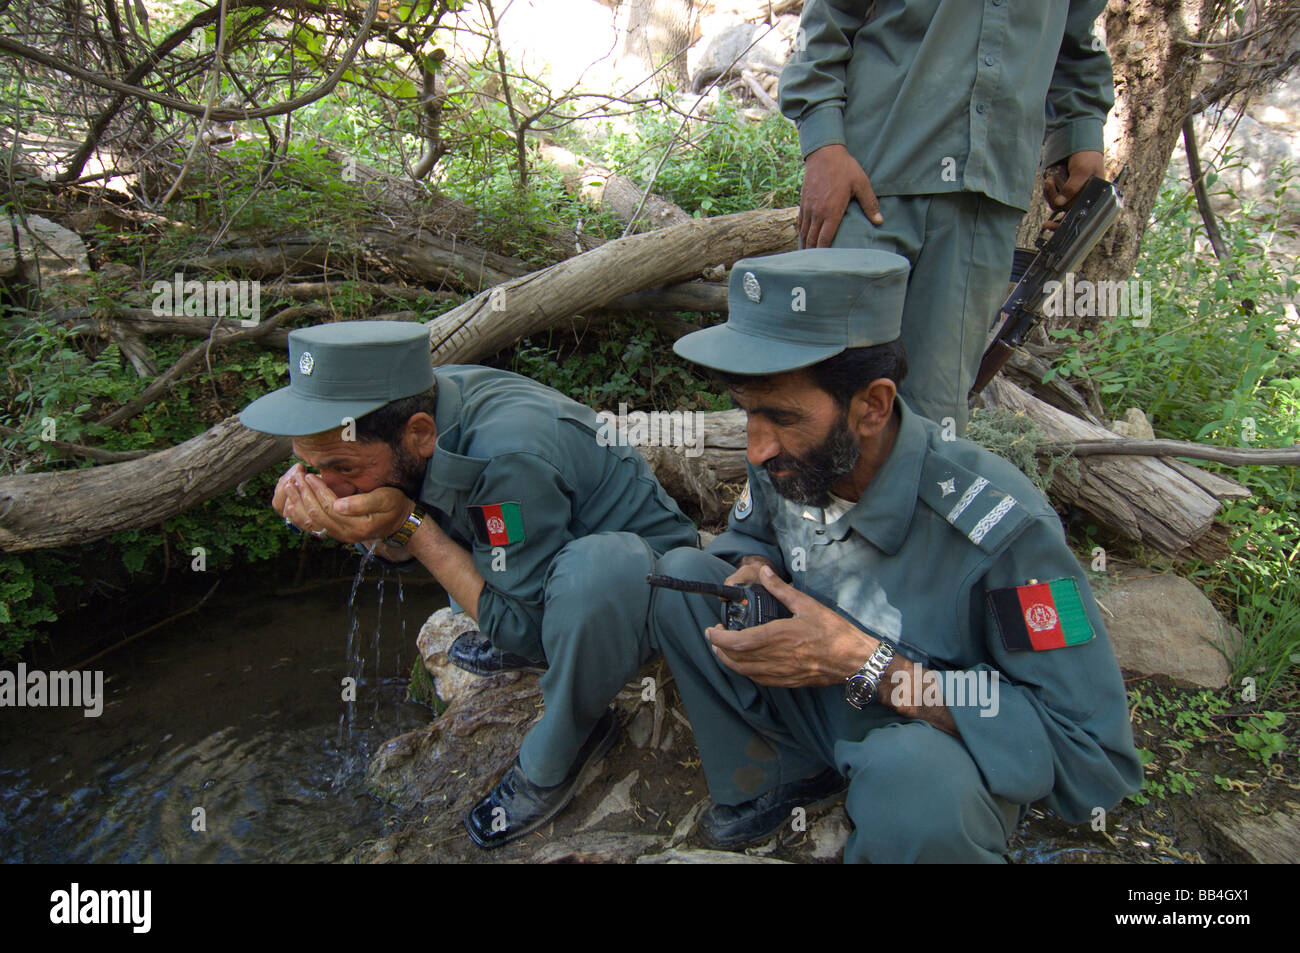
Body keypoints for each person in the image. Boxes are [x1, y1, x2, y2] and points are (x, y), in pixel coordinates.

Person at [650, 248, 1141, 862]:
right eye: (747, 412)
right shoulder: (791, 462)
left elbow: (1087, 752)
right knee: (686, 581)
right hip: (816, 711)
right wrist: (753, 572)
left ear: (872, 406)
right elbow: (752, 544)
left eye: (778, 417)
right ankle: (784, 776)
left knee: (914, 784)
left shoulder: (1001, 528)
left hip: (924, 744)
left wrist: (868, 665)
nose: (754, 449)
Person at [239, 320, 699, 849]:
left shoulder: (504, 455)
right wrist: (368, 522)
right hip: (544, 543)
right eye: (310, 468)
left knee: (548, 608)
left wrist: (410, 526)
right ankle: (520, 610)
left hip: (642, 580)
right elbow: (435, 516)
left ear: (418, 434)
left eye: (341, 467)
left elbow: (522, 626)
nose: (328, 488)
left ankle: (571, 740)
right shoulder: (422, 407)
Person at [780, 0, 1114, 433]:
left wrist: (1082, 133)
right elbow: (829, 15)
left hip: (985, 201)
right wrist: (824, 143)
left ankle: (908, 501)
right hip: (870, 177)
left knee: (932, 420)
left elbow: (1077, 38)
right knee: (819, 391)